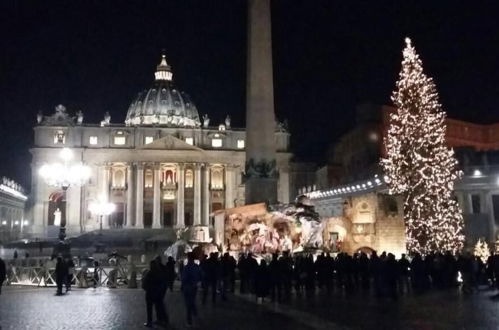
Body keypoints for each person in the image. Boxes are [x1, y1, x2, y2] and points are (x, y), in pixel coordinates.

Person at [142, 260, 167, 328]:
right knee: (158, 307)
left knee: (149, 309)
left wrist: (147, 289)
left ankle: (149, 322)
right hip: (158, 294)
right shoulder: (159, 273)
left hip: (149, 294)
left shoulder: (149, 274)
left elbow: (144, 285)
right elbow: (163, 284)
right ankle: (161, 320)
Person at [181, 252, 202, 328]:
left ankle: (189, 320)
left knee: (188, 304)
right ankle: (195, 314)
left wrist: (183, 285)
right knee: (192, 301)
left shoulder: (187, 267)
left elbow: (184, 278)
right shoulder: (197, 267)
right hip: (194, 287)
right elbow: (201, 275)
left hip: (187, 287)